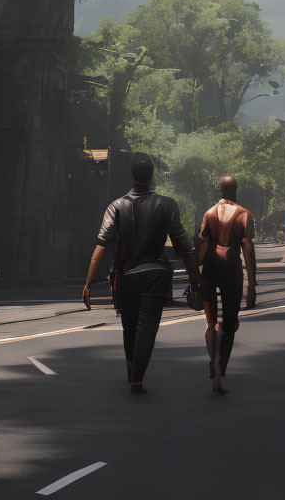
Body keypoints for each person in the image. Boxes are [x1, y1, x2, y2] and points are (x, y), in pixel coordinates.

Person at [82, 152, 199, 394]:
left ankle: (131, 369)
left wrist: (88, 283)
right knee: (147, 326)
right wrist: (195, 281)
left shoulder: (115, 206)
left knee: (129, 325)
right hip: (156, 274)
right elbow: (186, 250)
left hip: (126, 275)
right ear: (152, 174)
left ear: (131, 174)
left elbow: (100, 248)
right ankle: (137, 380)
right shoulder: (168, 205)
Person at [198, 176, 257, 395]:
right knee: (230, 324)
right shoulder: (244, 215)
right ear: (236, 190)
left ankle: (213, 360)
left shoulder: (210, 212)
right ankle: (220, 371)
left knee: (211, 322)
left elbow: (203, 245)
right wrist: (252, 285)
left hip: (211, 268)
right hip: (231, 269)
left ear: (221, 189)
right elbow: (248, 249)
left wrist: (196, 275)